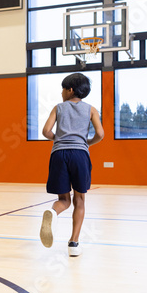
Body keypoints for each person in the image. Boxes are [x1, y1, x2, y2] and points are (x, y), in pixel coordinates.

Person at [40, 73, 104, 257]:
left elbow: (46, 131)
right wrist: (86, 143)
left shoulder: (58, 108)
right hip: (80, 155)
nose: (61, 93)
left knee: (64, 200)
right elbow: (100, 134)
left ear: (70, 90)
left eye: (62, 89)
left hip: (59, 154)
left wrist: (59, 139)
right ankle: (74, 244)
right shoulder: (91, 110)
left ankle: (53, 212)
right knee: (80, 200)